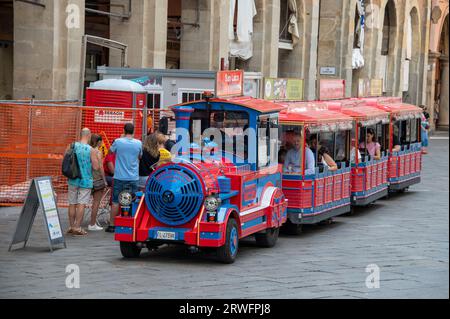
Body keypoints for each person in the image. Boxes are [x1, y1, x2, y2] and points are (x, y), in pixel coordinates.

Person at [106, 123, 143, 233]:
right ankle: (130, 223)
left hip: (119, 177)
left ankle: (112, 225)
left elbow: (110, 152)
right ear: (133, 131)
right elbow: (140, 156)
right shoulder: (138, 143)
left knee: (116, 201)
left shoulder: (118, 142)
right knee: (132, 200)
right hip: (133, 177)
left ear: (124, 130)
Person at [67, 128, 99, 236]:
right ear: (89, 135)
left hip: (73, 178)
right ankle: (77, 227)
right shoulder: (91, 149)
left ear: (81, 135)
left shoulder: (72, 145)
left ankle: (71, 226)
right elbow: (95, 167)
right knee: (81, 203)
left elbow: (66, 159)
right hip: (85, 180)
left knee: (72, 203)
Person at [88, 134, 107, 231]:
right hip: (97, 180)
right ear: (99, 142)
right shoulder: (97, 152)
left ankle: (75, 224)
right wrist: (105, 181)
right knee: (96, 202)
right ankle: (92, 223)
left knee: (80, 202)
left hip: (87, 180)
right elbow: (100, 168)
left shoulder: (87, 150)